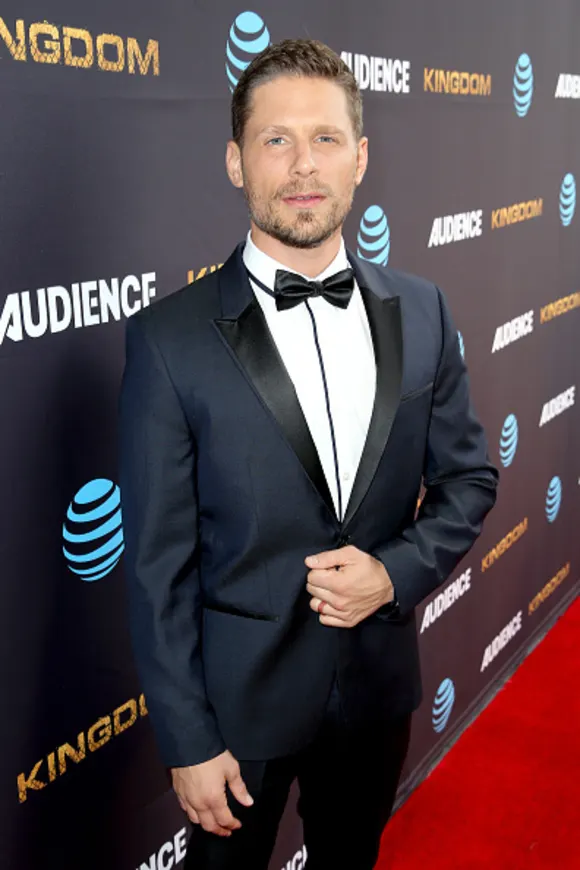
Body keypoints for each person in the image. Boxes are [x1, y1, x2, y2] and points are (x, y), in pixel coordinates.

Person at [118, 38, 499, 870]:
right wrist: (186, 739)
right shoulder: (167, 340)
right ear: (234, 160)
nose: (302, 166)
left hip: (375, 693)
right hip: (233, 718)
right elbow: (155, 564)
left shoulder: (425, 312)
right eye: (275, 139)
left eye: (325, 139)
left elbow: (470, 478)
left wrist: (395, 572)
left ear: (361, 158)